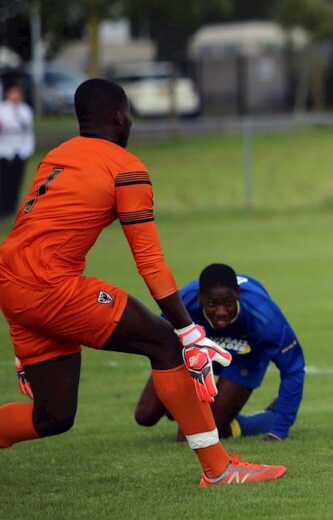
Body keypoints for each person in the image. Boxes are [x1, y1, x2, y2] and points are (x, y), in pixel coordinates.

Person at [0, 78, 286, 486]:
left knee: (53, 416)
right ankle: (219, 470)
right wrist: (188, 331)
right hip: (50, 287)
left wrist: (22, 332)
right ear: (120, 116)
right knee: (166, 343)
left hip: (12, 285)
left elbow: (29, 238)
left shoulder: (57, 156)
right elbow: (149, 261)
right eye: (129, 113)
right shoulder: (125, 167)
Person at [134, 263, 305, 441]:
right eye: (212, 304)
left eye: (228, 303)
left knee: (189, 436)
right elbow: (161, 347)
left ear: (238, 294)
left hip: (244, 356)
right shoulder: (182, 304)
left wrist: (279, 430)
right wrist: (179, 396)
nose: (221, 312)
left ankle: (268, 417)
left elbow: (293, 368)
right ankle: (197, 413)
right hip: (196, 353)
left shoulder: (264, 316)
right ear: (199, 297)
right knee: (145, 415)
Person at [0, 80, 34, 217]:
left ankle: (11, 207)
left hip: (20, 150)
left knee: (16, 180)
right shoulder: (2, 110)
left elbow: (28, 130)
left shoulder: (25, 110)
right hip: (5, 150)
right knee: (4, 181)